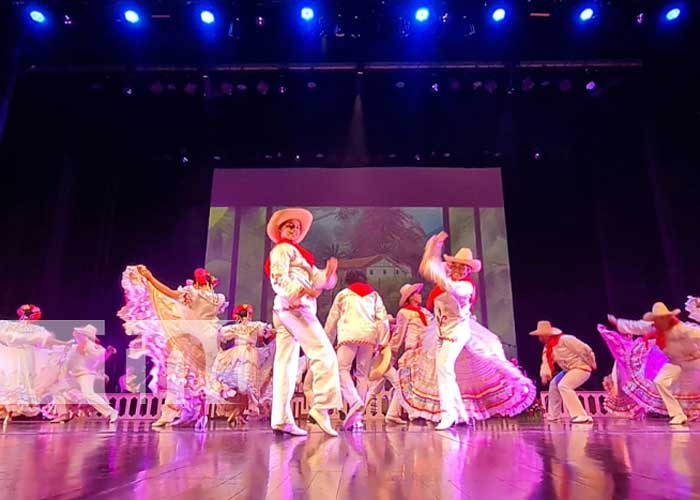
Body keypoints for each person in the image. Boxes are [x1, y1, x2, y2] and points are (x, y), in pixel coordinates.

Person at [118, 265, 227, 428]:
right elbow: (171, 294)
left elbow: (170, 293)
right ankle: (187, 413)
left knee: (187, 375)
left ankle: (187, 412)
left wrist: (150, 278)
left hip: (197, 339)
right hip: (201, 338)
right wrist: (150, 278)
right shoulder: (215, 297)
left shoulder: (204, 295)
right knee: (189, 376)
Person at [265, 207, 342, 436]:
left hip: (288, 309)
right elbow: (278, 279)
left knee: (286, 363)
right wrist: (302, 291)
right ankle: (322, 406)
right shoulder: (282, 250)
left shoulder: (301, 256)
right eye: (290, 225)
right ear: (280, 230)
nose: (295, 229)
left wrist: (328, 274)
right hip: (295, 307)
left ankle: (281, 418)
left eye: (297, 227)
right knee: (324, 353)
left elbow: (317, 280)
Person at [418, 231, 477, 430]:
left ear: (469, 271)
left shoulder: (466, 287)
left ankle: (448, 413)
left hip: (458, 330)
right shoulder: (448, 275)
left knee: (444, 367)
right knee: (444, 368)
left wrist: (437, 270)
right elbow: (428, 265)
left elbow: (448, 285)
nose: (458, 269)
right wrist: (434, 246)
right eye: (456, 265)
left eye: (464, 267)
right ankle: (460, 413)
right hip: (442, 331)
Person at [611, 302, 700, 425]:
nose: (660, 321)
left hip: (694, 360)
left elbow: (697, 333)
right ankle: (678, 414)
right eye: (658, 318)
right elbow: (638, 326)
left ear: (668, 318)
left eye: (662, 318)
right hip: (676, 362)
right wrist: (618, 322)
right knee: (660, 381)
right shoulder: (654, 328)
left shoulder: (682, 329)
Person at [325, 270, 389, 429]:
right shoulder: (374, 295)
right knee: (362, 375)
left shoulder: (343, 295)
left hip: (349, 335)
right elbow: (382, 319)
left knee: (341, 369)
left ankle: (354, 401)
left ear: (348, 281)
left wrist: (326, 342)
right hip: (368, 337)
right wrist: (383, 341)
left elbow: (332, 320)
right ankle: (358, 418)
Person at [0, 304, 72, 424]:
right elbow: (48, 340)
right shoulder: (14, 327)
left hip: (20, 356)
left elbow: (47, 341)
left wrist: (64, 343)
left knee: (18, 380)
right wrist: (64, 343)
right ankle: (9, 409)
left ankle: (10, 409)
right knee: (15, 380)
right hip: (15, 356)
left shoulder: (13, 327)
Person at [212, 304, 275, 425]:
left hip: (247, 354)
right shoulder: (242, 327)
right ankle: (238, 411)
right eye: (248, 314)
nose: (249, 317)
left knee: (245, 385)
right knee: (243, 385)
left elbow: (267, 332)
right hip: (242, 354)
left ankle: (239, 412)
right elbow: (221, 335)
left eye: (250, 314)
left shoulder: (252, 326)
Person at [50, 325, 119, 424]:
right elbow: (67, 363)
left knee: (88, 394)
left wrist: (88, 349)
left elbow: (99, 359)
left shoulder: (93, 347)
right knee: (57, 389)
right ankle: (63, 414)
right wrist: (61, 377)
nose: (77, 336)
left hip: (86, 374)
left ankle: (111, 412)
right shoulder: (74, 347)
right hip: (73, 375)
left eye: (80, 334)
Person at [530, 320, 597, 423]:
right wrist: (545, 374)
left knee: (564, 385)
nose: (540, 338)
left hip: (581, 368)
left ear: (547, 334)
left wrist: (591, 362)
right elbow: (545, 362)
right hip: (568, 370)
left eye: (542, 335)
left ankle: (581, 415)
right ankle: (553, 416)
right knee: (554, 385)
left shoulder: (565, 339)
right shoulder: (548, 348)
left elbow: (585, 349)